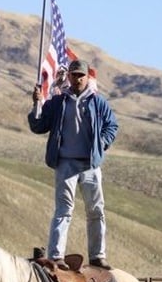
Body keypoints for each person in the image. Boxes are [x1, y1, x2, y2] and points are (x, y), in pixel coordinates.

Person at [28, 59, 118, 270]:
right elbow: (39, 126)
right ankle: (56, 256)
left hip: (90, 165)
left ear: (87, 78)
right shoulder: (58, 102)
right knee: (63, 209)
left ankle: (97, 256)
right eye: (74, 74)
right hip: (65, 163)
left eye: (81, 75)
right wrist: (37, 104)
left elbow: (112, 125)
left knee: (96, 210)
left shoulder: (98, 102)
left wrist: (101, 143)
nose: (77, 78)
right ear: (68, 76)